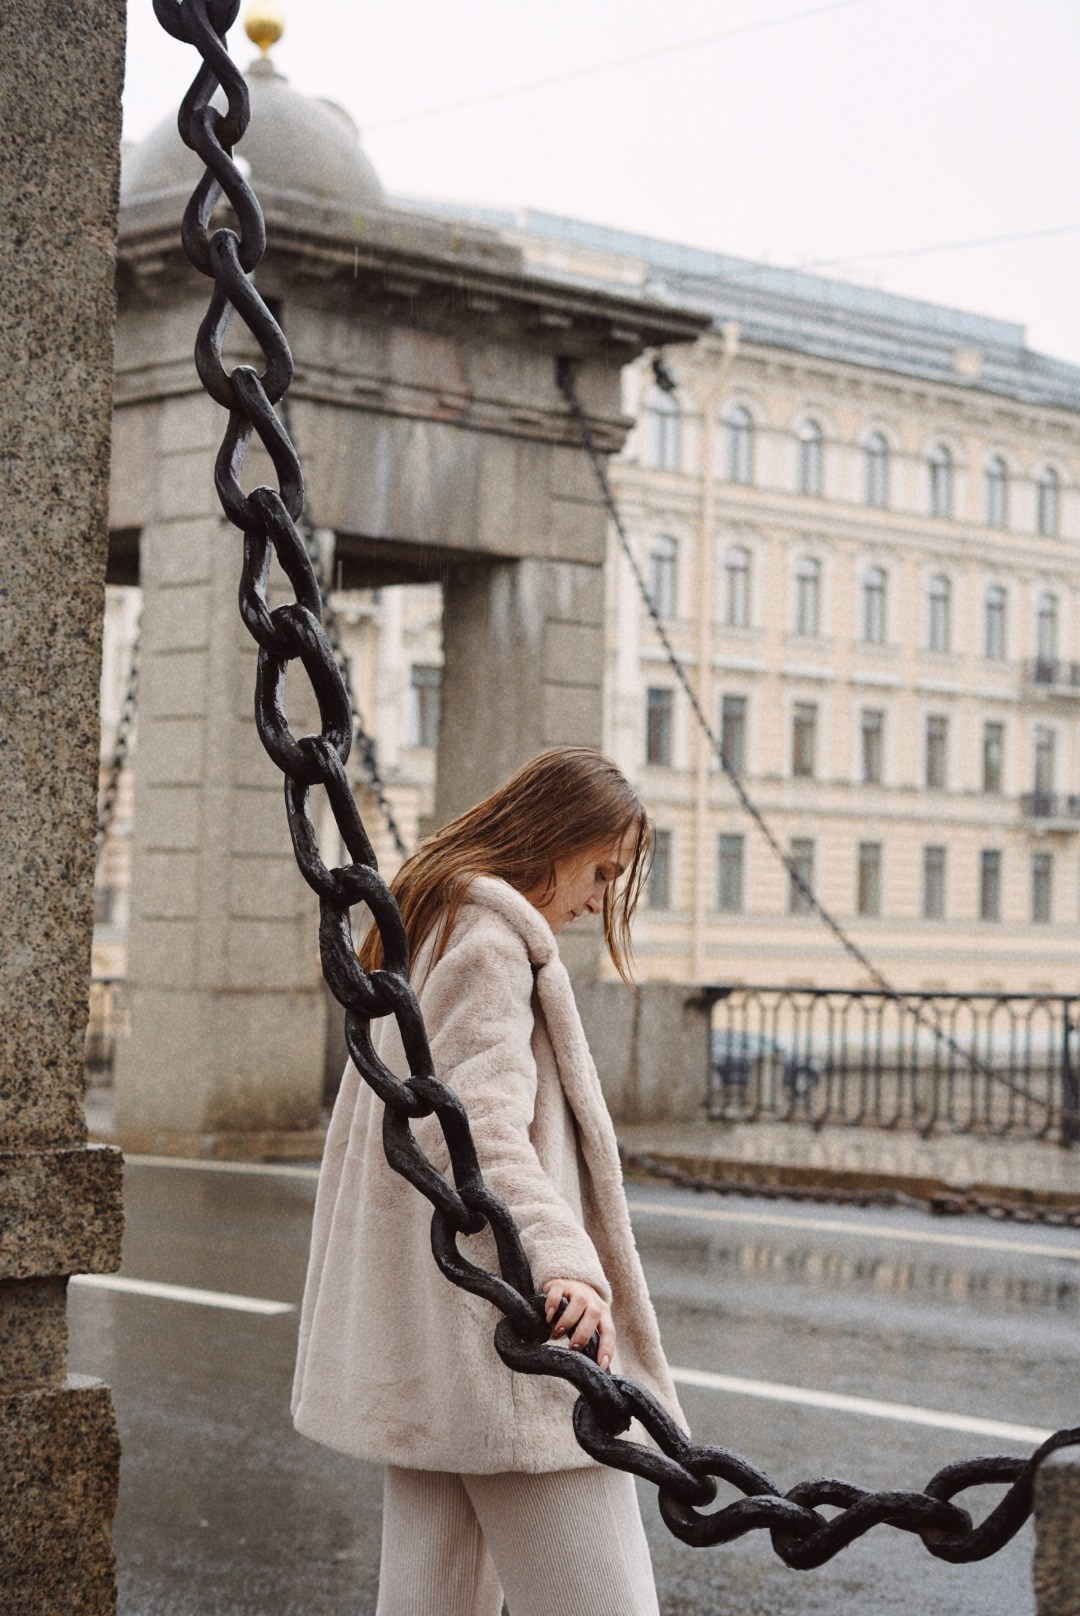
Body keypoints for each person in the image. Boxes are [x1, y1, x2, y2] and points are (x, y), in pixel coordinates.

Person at [292, 747, 685, 1616]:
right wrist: (564, 1263)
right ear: (556, 838)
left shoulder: (432, 929)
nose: (596, 901)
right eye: (601, 871)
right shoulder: (491, 941)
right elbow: (476, 1133)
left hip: (438, 1348)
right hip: (505, 1334)